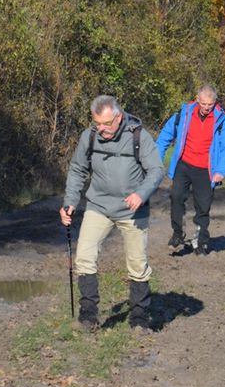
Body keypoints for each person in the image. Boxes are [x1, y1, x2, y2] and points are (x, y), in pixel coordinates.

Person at [60, 95, 165, 331]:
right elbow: (77, 169)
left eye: (106, 124)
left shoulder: (139, 136)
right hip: (98, 206)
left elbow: (156, 170)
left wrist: (141, 193)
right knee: (84, 258)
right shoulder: (90, 136)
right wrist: (70, 202)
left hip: (132, 211)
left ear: (118, 118)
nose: (101, 129)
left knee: (137, 264)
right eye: (97, 123)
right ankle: (88, 316)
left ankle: (139, 318)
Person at [155, 85, 225, 256]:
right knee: (176, 197)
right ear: (197, 100)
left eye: (210, 104)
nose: (207, 108)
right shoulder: (183, 115)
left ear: (215, 102)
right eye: (204, 103)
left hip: (206, 170)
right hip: (184, 164)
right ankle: (178, 233)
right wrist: (156, 160)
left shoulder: (222, 121)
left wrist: (220, 170)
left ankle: (200, 240)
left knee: (203, 206)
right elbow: (165, 136)